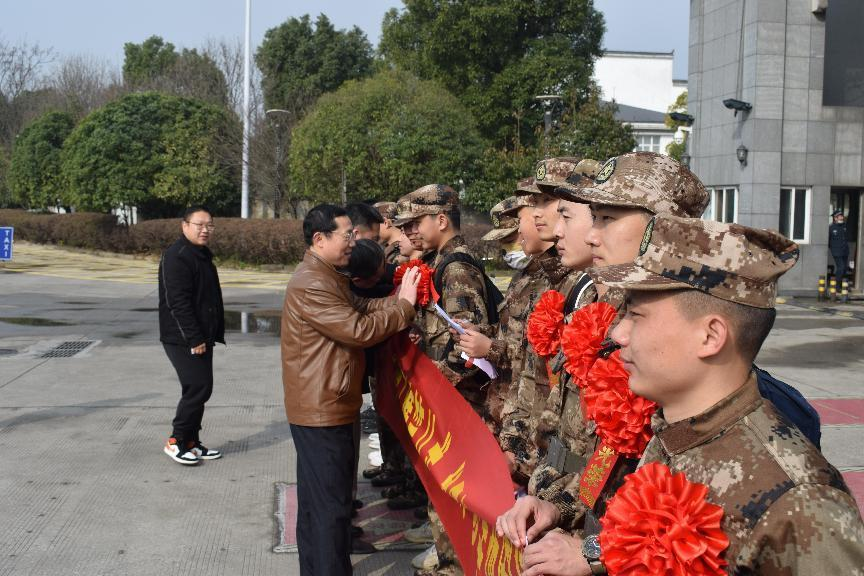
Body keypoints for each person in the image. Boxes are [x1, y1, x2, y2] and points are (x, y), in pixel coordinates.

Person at [521, 215, 864, 575]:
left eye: (636, 315)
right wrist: (570, 523)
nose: (618, 334)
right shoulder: (673, 429)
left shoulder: (801, 503)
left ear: (710, 336)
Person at [497, 152, 710, 548]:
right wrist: (558, 505)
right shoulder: (598, 301)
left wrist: (592, 553)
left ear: (663, 227)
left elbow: (653, 480)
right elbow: (579, 434)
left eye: (607, 218)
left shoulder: (675, 334)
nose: (591, 235)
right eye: (593, 217)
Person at [281, 204, 421, 576]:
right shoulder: (313, 282)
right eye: (347, 235)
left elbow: (361, 306)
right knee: (331, 509)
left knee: (319, 506)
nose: (353, 242)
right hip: (322, 409)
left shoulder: (326, 274)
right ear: (319, 239)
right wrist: (404, 308)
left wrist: (397, 301)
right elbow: (358, 329)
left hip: (328, 402)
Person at [393, 184, 497, 576]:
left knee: (456, 491)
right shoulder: (439, 262)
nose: (410, 231)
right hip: (448, 397)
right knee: (444, 491)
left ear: (441, 220)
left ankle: (454, 565)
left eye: (416, 222)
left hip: (460, 401)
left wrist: (436, 386)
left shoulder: (456, 267)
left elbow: (468, 344)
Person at [159, 206, 225, 466]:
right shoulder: (177, 256)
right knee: (197, 387)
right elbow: (178, 302)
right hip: (182, 337)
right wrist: (194, 338)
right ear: (184, 226)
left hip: (201, 335)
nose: (205, 230)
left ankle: (191, 442)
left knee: (201, 387)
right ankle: (176, 440)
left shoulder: (201, 254)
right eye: (199, 225)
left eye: (209, 225)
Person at [829, 209, 850, 284]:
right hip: (836, 252)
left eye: (842, 216)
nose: (842, 218)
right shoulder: (831, 228)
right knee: (841, 267)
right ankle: (837, 285)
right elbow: (828, 240)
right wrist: (833, 249)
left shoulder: (844, 226)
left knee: (844, 269)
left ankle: (843, 285)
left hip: (845, 251)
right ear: (835, 218)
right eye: (840, 216)